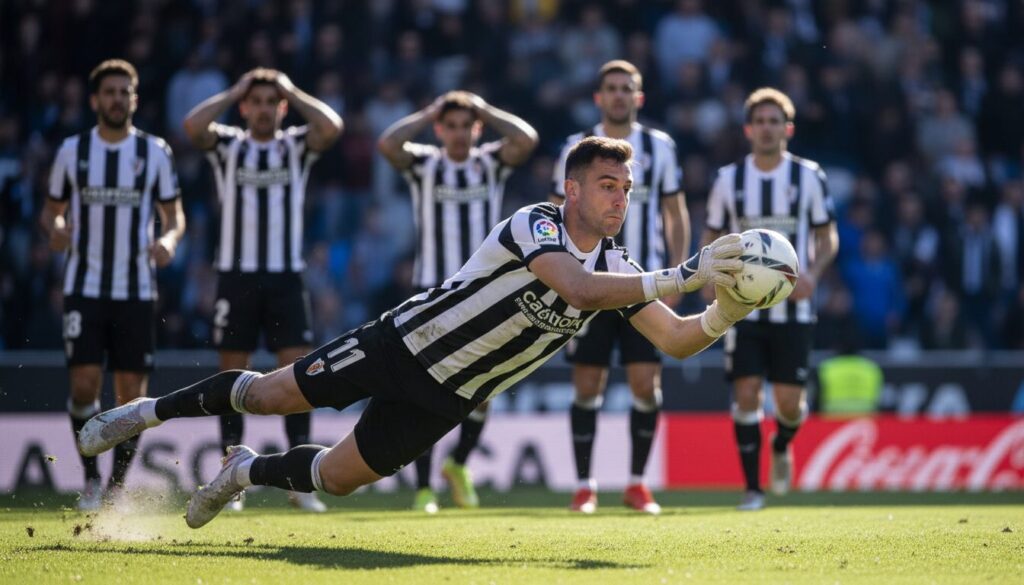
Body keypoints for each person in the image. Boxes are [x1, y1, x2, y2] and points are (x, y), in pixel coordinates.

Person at [79, 137, 762, 531]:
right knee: (265, 398)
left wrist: (724, 312)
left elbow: (674, 338)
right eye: (608, 185)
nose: (620, 198)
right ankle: (138, 412)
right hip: (403, 343)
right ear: (572, 189)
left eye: (628, 188)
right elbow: (578, 290)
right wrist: (684, 272)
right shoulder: (539, 223)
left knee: (337, 478)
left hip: (450, 395)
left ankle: (245, 471)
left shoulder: (624, 266)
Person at [182, 67, 342, 513]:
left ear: (282, 107)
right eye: (256, 101)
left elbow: (331, 127)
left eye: (273, 102)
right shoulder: (229, 145)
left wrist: (292, 87)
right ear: (245, 106)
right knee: (232, 373)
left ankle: (297, 481)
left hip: (286, 278)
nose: (264, 109)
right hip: (236, 276)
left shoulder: (294, 146)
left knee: (296, 375)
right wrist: (235, 88)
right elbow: (193, 127)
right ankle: (230, 475)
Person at [378, 90, 538, 512]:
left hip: (484, 287)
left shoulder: (489, 163)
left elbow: (527, 139)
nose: (459, 133)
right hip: (433, 286)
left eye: (466, 125)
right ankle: (424, 490)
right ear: (439, 129)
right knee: (424, 386)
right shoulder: (426, 165)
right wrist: (429, 109)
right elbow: (388, 145)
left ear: (476, 128)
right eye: (450, 125)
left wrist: (484, 107)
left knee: (486, 385)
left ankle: (459, 464)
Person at [40, 59, 185, 510]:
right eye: (110, 92)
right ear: (94, 100)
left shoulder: (155, 153)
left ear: (134, 100)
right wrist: (56, 228)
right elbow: (51, 210)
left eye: (125, 92)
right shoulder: (73, 151)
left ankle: (117, 488)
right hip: (86, 288)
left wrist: (168, 240)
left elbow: (174, 216)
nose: (117, 99)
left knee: (130, 397)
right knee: (84, 387)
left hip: (137, 292)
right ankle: (89, 480)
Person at [550, 60, 689, 515]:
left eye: (626, 89)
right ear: (599, 96)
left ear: (639, 97)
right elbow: (557, 214)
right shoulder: (576, 148)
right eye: (610, 88)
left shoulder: (660, 148)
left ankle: (636, 483)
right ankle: (584, 486)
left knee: (645, 385)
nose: (618, 96)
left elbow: (675, 212)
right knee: (587, 383)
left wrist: (676, 275)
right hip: (588, 281)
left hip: (642, 283)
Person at [700, 87, 838, 511]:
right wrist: (708, 274)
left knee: (789, 404)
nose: (766, 128)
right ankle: (752, 489)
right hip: (741, 307)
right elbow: (712, 234)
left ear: (788, 129)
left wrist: (812, 274)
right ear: (748, 129)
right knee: (745, 395)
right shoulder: (728, 180)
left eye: (774, 121)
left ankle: (782, 443)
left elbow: (826, 235)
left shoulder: (809, 177)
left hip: (794, 309)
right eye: (759, 121)